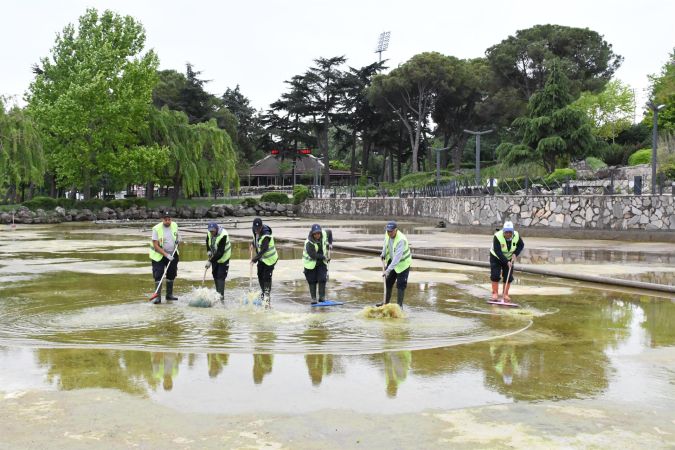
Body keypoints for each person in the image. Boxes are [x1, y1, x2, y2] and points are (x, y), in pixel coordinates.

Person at [377, 221, 412, 308]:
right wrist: (383, 253)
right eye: (388, 231)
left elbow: (397, 258)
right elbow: (385, 243)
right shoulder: (387, 233)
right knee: (388, 282)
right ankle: (385, 303)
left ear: (396, 230)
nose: (389, 233)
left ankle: (399, 307)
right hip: (392, 260)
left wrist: (387, 270)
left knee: (400, 285)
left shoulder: (401, 240)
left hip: (403, 264)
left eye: (391, 231)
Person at [149, 210, 180, 304]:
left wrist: (179, 240)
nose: (168, 221)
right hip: (159, 255)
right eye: (166, 219)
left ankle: (169, 295)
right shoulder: (156, 229)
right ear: (162, 219)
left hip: (173, 253)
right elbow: (156, 246)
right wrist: (166, 255)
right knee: (158, 275)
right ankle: (157, 297)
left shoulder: (174, 225)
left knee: (171, 274)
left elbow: (177, 237)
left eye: (169, 219)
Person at [489, 220, 524, 302]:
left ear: (512, 232)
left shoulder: (516, 235)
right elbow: (498, 251)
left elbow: (521, 245)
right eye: (506, 232)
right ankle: (495, 293)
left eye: (510, 232)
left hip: (509, 258)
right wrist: (506, 261)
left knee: (508, 276)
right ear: (503, 231)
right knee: (495, 275)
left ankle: (505, 294)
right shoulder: (497, 236)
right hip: (496, 257)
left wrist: (515, 253)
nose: (508, 234)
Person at [302, 223, 333, 304]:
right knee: (312, 281)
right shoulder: (309, 243)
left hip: (321, 263)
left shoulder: (324, 233)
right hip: (310, 263)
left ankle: (322, 297)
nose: (317, 235)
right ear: (312, 233)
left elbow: (330, 232)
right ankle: (313, 299)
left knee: (322, 279)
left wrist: (330, 244)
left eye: (318, 233)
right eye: (315, 234)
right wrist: (325, 257)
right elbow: (313, 255)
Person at [250, 217, 278, 307]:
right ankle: (263, 292)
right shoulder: (254, 230)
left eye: (258, 229)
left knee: (266, 277)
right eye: (255, 229)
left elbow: (264, 249)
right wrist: (252, 243)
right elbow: (256, 239)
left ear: (261, 227)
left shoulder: (266, 235)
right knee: (259, 274)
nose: (257, 230)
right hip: (262, 259)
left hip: (270, 259)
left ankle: (267, 296)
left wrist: (255, 259)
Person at [205, 222, 231, 302]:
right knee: (215, 274)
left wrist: (210, 261)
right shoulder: (209, 233)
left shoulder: (223, 235)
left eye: (213, 231)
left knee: (220, 276)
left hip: (223, 258)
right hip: (215, 257)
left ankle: (221, 298)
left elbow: (220, 253)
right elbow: (207, 241)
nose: (211, 233)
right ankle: (217, 294)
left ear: (216, 229)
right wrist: (209, 250)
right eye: (210, 231)